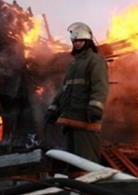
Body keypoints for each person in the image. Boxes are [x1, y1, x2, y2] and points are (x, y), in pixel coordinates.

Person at [44, 22, 109, 163]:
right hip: (70, 122)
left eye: (80, 40)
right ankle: (73, 185)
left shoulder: (95, 60)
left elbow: (100, 85)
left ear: (88, 41)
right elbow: (64, 90)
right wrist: (53, 108)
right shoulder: (73, 65)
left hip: (86, 122)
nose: (77, 44)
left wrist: (95, 107)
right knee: (72, 163)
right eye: (75, 41)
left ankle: (86, 184)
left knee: (86, 162)